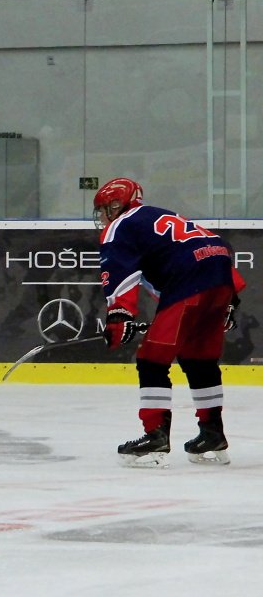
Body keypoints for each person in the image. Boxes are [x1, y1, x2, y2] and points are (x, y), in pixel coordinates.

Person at [94, 177, 245, 467]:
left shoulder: (121, 224)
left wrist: (119, 316)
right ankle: (212, 433)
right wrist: (230, 299)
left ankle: (156, 435)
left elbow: (119, 272)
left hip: (189, 280)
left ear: (116, 205)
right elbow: (212, 245)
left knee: (152, 359)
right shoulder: (162, 215)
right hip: (219, 276)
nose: (101, 217)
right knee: (199, 359)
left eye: (103, 210)